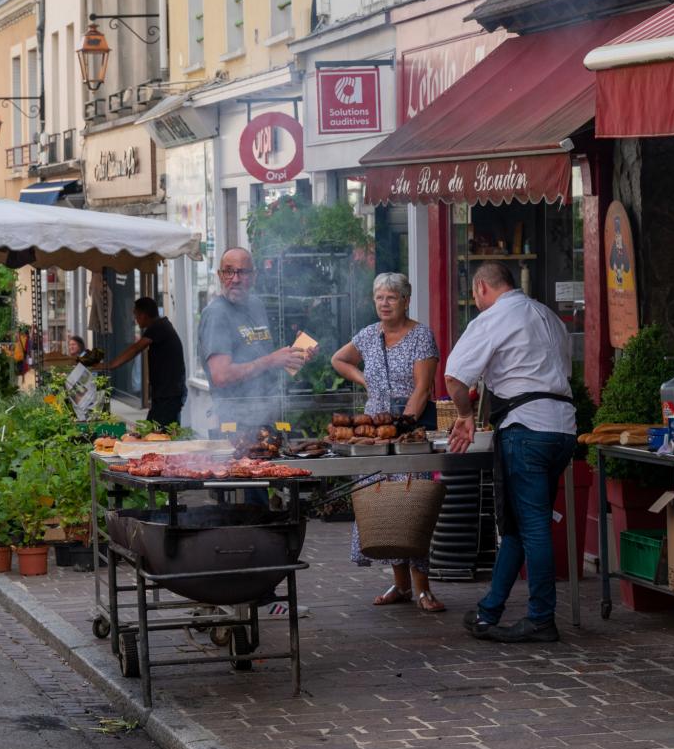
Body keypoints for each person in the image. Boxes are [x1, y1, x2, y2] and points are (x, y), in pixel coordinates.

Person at [447, 262, 576, 644]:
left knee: (533, 526)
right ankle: (489, 611)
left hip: (526, 428)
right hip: (563, 428)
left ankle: (541, 618)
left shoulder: (494, 317)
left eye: (475, 296)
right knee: (520, 525)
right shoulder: (548, 315)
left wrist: (465, 414)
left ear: (482, 288)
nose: (476, 302)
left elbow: (455, 376)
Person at [331, 273, 443, 612]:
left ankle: (423, 587)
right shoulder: (368, 335)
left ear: (406, 301)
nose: (384, 303)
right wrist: (365, 380)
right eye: (379, 297)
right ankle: (400, 584)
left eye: (391, 297)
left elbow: (422, 390)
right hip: (374, 433)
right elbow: (339, 359)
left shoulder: (421, 334)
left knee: (412, 504)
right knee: (384, 507)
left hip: (408, 433)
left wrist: (401, 427)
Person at [198, 247, 308, 430]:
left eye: (242, 272)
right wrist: (271, 360)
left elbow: (263, 363)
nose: (235, 279)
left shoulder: (255, 306)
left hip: (268, 417)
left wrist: (295, 355)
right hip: (235, 423)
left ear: (254, 276)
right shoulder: (217, 314)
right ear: (219, 275)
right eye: (228, 271)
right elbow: (221, 376)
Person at [100, 297, 188, 426]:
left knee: (158, 433)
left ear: (144, 315)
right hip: (167, 392)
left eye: (136, 315)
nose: (135, 320)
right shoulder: (161, 325)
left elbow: (136, 348)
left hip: (168, 394)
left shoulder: (158, 327)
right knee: (157, 431)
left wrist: (109, 365)